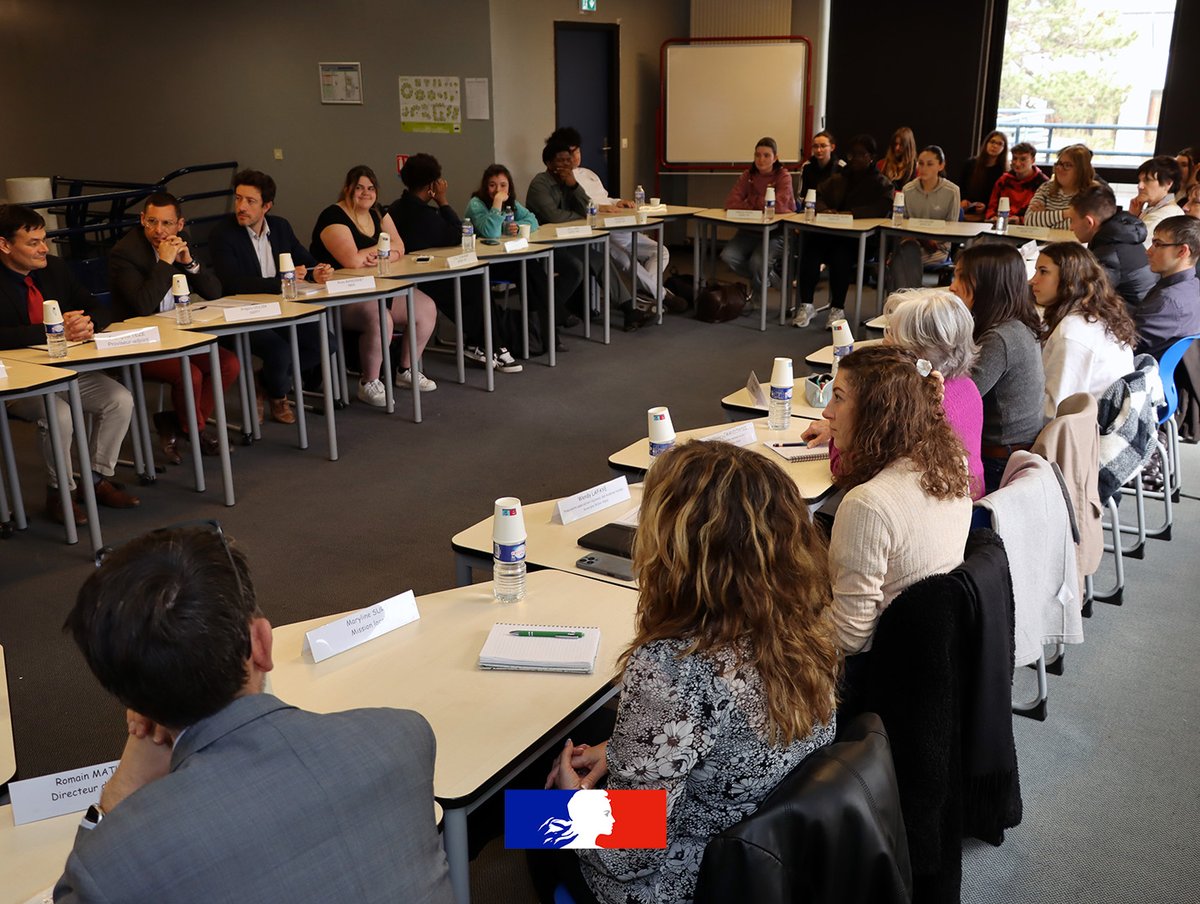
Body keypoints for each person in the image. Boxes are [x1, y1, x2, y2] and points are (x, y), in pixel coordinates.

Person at [55, 523, 455, 903]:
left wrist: (121, 791)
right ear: (262, 644)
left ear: (130, 701)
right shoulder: (402, 737)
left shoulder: (114, 861)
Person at [539, 440, 839, 904]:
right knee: (593, 736)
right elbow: (719, 737)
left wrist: (568, 802)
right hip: (773, 854)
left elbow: (628, 854)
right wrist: (621, 752)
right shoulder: (803, 622)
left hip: (691, 881)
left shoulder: (673, 667)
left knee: (524, 805)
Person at [822, 346, 973, 654]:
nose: (827, 412)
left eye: (838, 397)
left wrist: (783, 626)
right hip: (930, 647)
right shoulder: (951, 462)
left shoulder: (868, 505)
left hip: (878, 662)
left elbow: (848, 636)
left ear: (875, 411)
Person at [0, 203, 138, 523]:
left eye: (44, 239)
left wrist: (88, 323)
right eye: (33, 242)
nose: (43, 248)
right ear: (4, 245)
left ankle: (95, 479)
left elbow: (97, 308)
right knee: (59, 414)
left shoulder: (55, 268)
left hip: (64, 370)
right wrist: (53, 330)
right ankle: (59, 492)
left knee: (119, 399)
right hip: (16, 380)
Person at [803, 288, 985, 499]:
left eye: (891, 334)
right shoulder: (967, 386)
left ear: (916, 352)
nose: (883, 342)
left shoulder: (911, 410)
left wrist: (845, 431)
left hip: (925, 515)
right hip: (966, 506)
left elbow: (845, 469)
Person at [108, 191, 239, 462]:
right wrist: (166, 262)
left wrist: (189, 263)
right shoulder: (124, 253)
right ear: (142, 219)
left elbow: (215, 292)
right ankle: (196, 431)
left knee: (228, 364)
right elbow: (143, 305)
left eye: (166, 223)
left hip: (176, 335)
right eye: (152, 222)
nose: (159, 230)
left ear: (179, 224)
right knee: (189, 374)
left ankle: (176, 422)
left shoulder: (181, 241)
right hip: (137, 342)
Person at [208, 170, 333, 423]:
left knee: (325, 342)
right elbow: (232, 282)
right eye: (238, 198)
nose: (241, 207)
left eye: (250, 201)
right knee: (279, 351)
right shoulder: (223, 233)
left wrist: (316, 273)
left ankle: (265, 382)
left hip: (279, 310)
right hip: (241, 315)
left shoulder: (280, 227)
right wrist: (282, 282)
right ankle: (278, 394)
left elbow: (305, 260)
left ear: (266, 206)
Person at [310, 164, 439, 403]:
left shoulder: (378, 212)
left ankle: (405, 370)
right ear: (348, 189)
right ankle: (369, 381)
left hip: (376, 289)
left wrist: (375, 254)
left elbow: (400, 247)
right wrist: (382, 250)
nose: (365, 193)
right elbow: (351, 260)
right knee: (382, 318)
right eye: (359, 188)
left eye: (370, 188)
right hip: (340, 297)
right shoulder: (333, 216)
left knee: (426, 308)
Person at [387, 153, 523, 373]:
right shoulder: (423, 213)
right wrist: (443, 201)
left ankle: (486, 344)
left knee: (476, 284)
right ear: (432, 186)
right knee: (474, 287)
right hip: (424, 278)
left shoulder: (396, 206)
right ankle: (491, 345)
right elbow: (459, 234)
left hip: (421, 271)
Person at [950, 242, 1046, 492]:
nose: (952, 286)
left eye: (961, 277)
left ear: (986, 285)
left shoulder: (1000, 339)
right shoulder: (1017, 323)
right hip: (1013, 450)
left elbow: (954, 401)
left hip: (998, 462)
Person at [526, 138, 647, 332]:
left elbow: (589, 209)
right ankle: (549, 313)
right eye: (561, 160)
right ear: (549, 163)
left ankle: (628, 309)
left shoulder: (570, 182)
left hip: (569, 241)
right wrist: (578, 215)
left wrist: (574, 186)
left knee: (600, 259)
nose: (567, 165)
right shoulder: (540, 184)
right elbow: (553, 217)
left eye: (568, 160)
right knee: (576, 266)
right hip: (546, 245)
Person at [550, 126, 674, 311]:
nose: (576, 157)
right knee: (627, 261)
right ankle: (661, 295)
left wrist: (618, 202)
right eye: (571, 152)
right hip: (601, 231)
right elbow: (577, 206)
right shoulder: (563, 180)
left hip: (619, 225)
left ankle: (646, 292)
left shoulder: (589, 174)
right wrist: (601, 208)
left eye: (578, 151)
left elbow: (605, 197)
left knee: (660, 251)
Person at [464, 163, 578, 355]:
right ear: (485, 186)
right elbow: (490, 231)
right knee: (531, 272)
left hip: (506, 258)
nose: (498, 190)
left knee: (530, 271)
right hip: (483, 263)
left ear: (509, 187)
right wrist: (497, 203)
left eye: (503, 185)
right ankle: (556, 323)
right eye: (492, 185)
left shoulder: (512, 203)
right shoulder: (476, 204)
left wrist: (516, 225)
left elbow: (532, 221)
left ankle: (543, 336)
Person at [794, 134, 893, 328]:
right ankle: (806, 304)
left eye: (861, 154)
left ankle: (837, 308)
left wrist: (853, 214)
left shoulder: (881, 182)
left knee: (841, 255)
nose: (855, 158)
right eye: (852, 154)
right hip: (832, 234)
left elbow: (882, 207)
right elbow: (817, 196)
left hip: (861, 240)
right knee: (810, 248)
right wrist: (824, 210)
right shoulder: (839, 178)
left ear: (871, 157)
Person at [1030, 242, 1137, 420]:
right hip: (1100, 418)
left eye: (1043, 272)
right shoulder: (1096, 314)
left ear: (1069, 279)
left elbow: (1054, 412)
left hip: (1089, 429)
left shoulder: (1072, 333)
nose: (1033, 280)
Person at [719, 136, 796, 303]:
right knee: (728, 256)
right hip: (750, 231)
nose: (761, 159)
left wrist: (751, 201)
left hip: (777, 233)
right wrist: (762, 204)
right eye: (757, 155)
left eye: (766, 155)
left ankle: (758, 301)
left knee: (757, 263)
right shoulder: (748, 175)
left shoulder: (783, 176)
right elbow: (730, 203)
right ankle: (769, 276)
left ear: (775, 158)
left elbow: (779, 206)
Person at [1067, 184, 1156, 312]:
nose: (1071, 228)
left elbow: (1083, 294)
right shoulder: (1120, 236)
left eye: (1072, 220)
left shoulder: (1109, 254)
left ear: (1089, 222)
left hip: (1133, 319)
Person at [1136, 215, 1200, 359]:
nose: (1148, 251)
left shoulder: (1168, 300)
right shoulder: (1194, 286)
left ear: (1182, 251)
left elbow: (1129, 344)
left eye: (1158, 244)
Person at [899, 145, 961, 265]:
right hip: (911, 243)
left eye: (930, 164)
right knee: (906, 255)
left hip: (938, 248)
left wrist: (932, 241)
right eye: (921, 163)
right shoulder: (907, 190)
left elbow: (952, 226)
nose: (924, 168)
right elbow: (902, 223)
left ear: (941, 166)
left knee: (904, 261)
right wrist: (920, 239)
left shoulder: (952, 191)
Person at [1024, 144, 1096, 230]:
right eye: (1059, 163)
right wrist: (1067, 213)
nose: (1059, 168)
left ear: (1081, 170)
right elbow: (1028, 221)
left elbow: (1079, 228)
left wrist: (1045, 216)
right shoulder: (1046, 187)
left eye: (1067, 165)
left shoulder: (1092, 194)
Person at [985, 141, 1049, 224]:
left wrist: (1020, 220)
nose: (1017, 163)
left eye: (1023, 159)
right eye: (1015, 158)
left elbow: (1043, 215)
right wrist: (992, 217)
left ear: (1033, 160)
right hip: (1001, 224)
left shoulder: (1043, 184)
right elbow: (992, 207)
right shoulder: (1004, 180)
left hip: (1028, 227)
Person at [1130, 155, 1185, 248]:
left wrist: (1132, 218)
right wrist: (1134, 216)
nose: (1140, 186)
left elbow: (1133, 248)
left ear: (1168, 183)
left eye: (1147, 181)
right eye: (1139, 180)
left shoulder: (1162, 216)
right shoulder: (1156, 209)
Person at [958, 130, 1009, 221]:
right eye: (992, 142)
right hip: (967, 210)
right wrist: (963, 200)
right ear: (986, 143)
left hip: (989, 214)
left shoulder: (1003, 171)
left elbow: (1001, 197)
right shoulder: (970, 164)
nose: (994, 146)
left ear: (1004, 149)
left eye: (999, 144)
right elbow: (960, 186)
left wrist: (985, 206)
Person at [797, 130, 843, 198]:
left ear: (832, 147)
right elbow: (802, 195)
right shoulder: (807, 166)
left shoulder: (841, 167)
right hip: (812, 202)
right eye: (815, 146)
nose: (819, 150)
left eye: (823, 146)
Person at [877, 126, 916, 192]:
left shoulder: (915, 168)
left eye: (901, 145)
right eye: (895, 144)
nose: (897, 148)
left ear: (908, 147)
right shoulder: (882, 165)